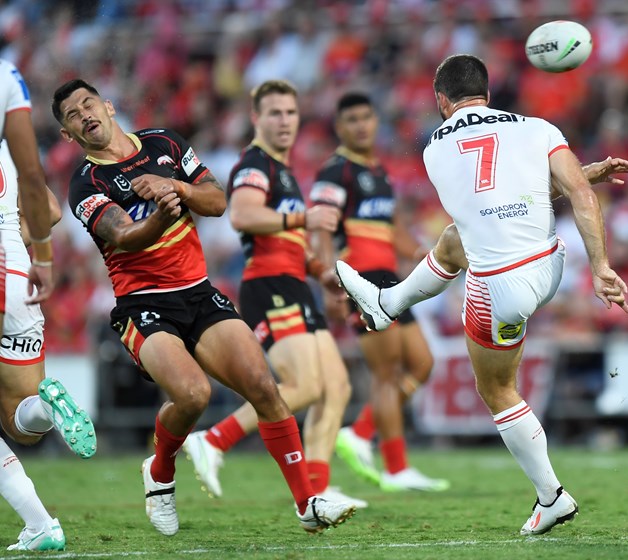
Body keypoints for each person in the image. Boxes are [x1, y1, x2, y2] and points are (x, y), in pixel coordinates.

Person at [335, 54, 628, 536]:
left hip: (500, 286)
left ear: (440, 100)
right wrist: (600, 267)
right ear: (488, 94)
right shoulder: (538, 127)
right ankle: (387, 304)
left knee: (496, 389)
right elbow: (575, 194)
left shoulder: (434, 148)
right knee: (453, 241)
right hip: (548, 265)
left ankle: (551, 496)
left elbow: (487, 206)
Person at [52, 78, 355, 536]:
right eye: (72, 115)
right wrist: (161, 210)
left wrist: (174, 186)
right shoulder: (85, 182)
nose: (84, 114)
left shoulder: (164, 143)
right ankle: (160, 472)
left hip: (197, 290)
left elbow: (217, 200)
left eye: (88, 103)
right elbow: (122, 237)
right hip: (141, 305)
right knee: (193, 394)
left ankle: (307, 503)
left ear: (109, 106)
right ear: (67, 135)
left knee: (264, 388)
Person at [182, 79, 366, 508]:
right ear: (256, 118)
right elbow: (242, 214)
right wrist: (304, 216)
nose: (284, 121)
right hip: (269, 287)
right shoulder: (254, 163)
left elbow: (287, 238)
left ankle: (317, 491)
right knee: (302, 385)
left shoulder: (281, 169)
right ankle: (212, 439)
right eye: (275, 113)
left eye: (290, 112)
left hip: (294, 283)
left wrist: (321, 271)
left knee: (336, 386)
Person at [310, 92, 447, 491]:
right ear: (340, 127)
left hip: (391, 280)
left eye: (366, 117)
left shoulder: (378, 171)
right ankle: (396, 468)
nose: (361, 126)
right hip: (362, 281)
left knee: (421, 364)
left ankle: (360, 432)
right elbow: (319, 229)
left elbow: (391, 229)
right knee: (386, 375)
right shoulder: (336, 172)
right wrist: (330, 282)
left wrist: (421, 251)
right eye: (351, 119)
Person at [0, 60, 97, 552]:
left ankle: (40, 524)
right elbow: (47, 202)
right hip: (18, 275)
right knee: (20, 418)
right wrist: (40, 255)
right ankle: (49, 409)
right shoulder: (5, 79)